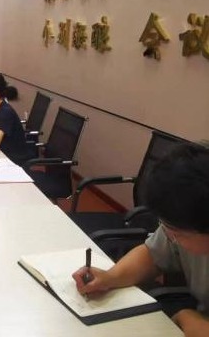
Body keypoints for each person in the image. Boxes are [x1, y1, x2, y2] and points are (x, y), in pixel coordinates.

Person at [72, 143, 209, 337]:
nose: (171, 237)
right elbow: (152, 255)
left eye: (178, 234)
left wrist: (189, 317)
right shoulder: (186, 225)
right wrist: (110, 278)